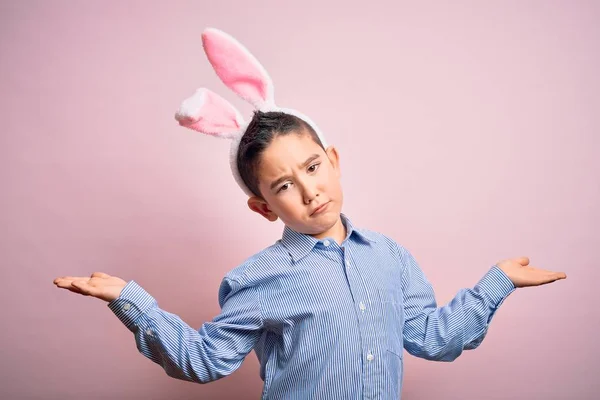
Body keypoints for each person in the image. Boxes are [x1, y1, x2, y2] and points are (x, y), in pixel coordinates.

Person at [53, 28, 566, 399]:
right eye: (284, 185)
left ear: (334, 161)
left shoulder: (390, 257)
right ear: (263, 206)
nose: (310, 191)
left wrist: (499, 281)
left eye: (314, 167)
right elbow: (204, 360)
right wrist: (128, 299)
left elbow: (434, 339)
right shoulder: (258, 278)